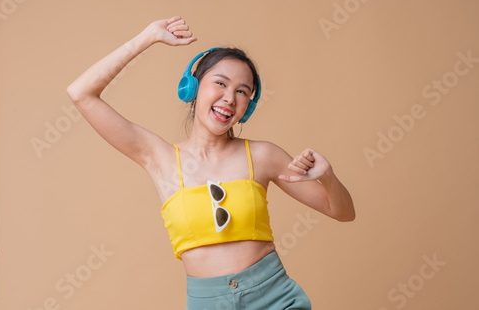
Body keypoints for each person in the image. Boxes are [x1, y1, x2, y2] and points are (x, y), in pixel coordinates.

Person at [67, 16, 355, 309]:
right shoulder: (160, 159)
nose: (229, 98)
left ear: (248, 107)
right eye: (220, 83)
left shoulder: (263, 156)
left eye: (242, 91)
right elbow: (81, 94)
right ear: (191, 88)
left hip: (274, 298)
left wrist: (328, 177)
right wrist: (146, 37)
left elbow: (342, 212)